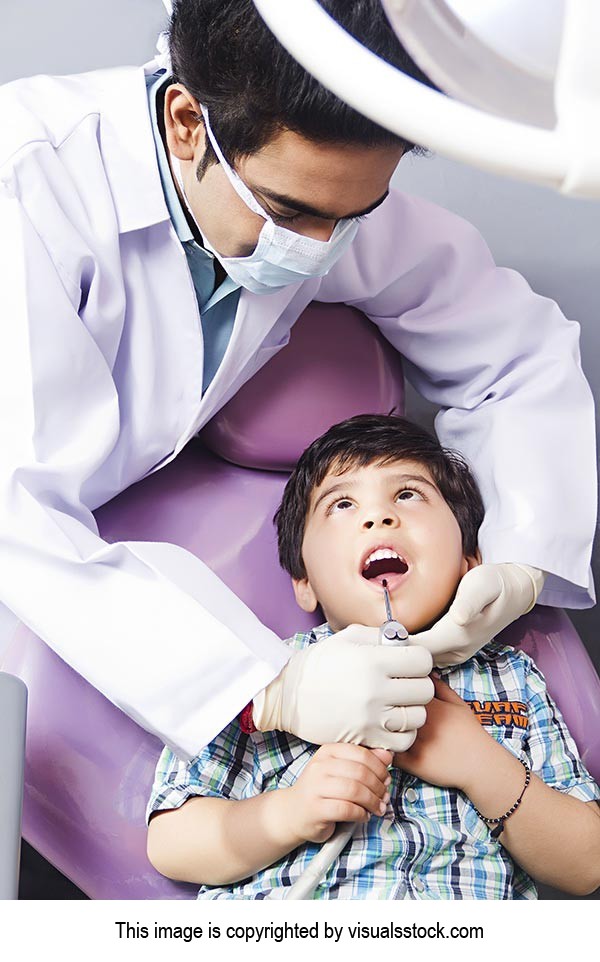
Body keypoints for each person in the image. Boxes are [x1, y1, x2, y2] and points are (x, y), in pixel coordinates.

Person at [0, 1, 595, 762]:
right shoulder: (29, 187)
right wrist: (265, 686)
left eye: (352, 216)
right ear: (187, 123)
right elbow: (18, 512)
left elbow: (518, 349)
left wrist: (519, 556)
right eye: (291, 212)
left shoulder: (321, 191)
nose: (318, 250)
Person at [146, 415, 600, 900]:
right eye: (342, 504)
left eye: (407, 494)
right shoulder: (262, 673)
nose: (378, 517)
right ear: (305, 582)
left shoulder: (512, 678)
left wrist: (478, 762)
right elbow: (172, 844)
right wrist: (291, 811)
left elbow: (587, 864)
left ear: (472, 559)